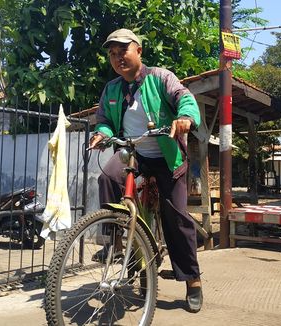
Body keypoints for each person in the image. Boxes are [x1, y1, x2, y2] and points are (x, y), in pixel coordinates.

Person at [89, 28, 203, 313]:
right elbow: (103, 119)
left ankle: (192, 280)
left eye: (123, 51)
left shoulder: (161, 77)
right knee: (108, 177)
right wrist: (102, 134)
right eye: (112, 55)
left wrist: (186, 117)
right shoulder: (112, 89)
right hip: (133, 153)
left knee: (176, 217)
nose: (118, 58)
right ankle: (116, 242)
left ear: (138, 51)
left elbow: (184, 98)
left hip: (165, 156)